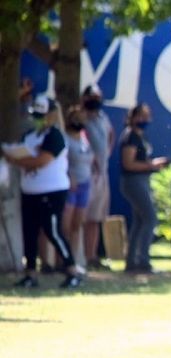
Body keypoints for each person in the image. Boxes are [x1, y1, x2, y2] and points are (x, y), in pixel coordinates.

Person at [3, 94, 81, 288]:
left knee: (52, 230)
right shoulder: (29, 136)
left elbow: (42, 160)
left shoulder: (55, 136)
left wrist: (16, 160)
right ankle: (30, 273)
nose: (37, 119)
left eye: (41, 115)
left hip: (52, 191)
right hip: (30, 190)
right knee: (29, 232)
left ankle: (72, 269)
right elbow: (23, 154)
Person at [119, 103, 169, 274]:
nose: (144, 120)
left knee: (140, 221)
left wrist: (154, 165)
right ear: (132, 117)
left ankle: (132, 261)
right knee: (150, 218)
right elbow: (129, 163)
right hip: (133, 181)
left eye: (147, 116)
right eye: (141, 116)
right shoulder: (130, 136)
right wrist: (152, 166)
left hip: (142, 180)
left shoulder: (141, 137)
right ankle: (142, 260)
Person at [81, 85, 115, 271]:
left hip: (102, 174)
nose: (96, 100)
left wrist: (106, 153)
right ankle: (77, 256)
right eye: (93, 97)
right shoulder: (81, 118)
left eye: (98, 96)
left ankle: (91, 256)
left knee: (95, 218)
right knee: (80, 218)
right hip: (86, 174)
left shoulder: (103, 117)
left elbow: (111, 135)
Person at [61, 105, 95, 264]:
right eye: (77, 119)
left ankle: (74, 260)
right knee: (65, 226)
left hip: (85, 184)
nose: (80, 122)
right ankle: (60, 260)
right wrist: (69, 177)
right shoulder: (65, 139)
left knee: (77, 225)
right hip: (70, 186)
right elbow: (62, 162)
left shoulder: (84, 138)